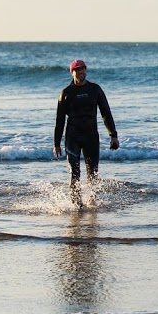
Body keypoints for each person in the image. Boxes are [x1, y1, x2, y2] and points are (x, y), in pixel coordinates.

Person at [53, 59, 120, 208]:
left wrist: (113, 135)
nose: (81, 72)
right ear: (72, 72)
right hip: (73, 137)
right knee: (74, 172)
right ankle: (77, 205)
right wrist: (56, 144)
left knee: (93, 173)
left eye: (83, 69)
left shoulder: (95, 89)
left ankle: (92, 201)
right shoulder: (66, 93)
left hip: (91, 136)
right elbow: (59, 120)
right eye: (77, 70)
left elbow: (106, 113)